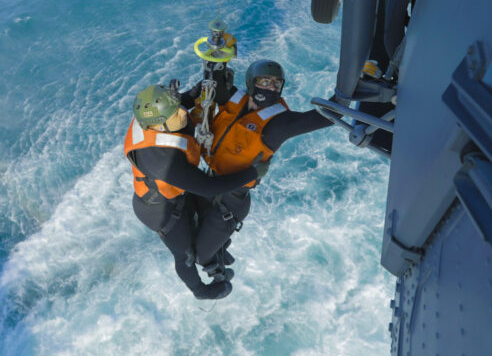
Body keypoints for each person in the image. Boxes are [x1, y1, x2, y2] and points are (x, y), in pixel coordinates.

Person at [187, 59, 335, 278]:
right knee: (187, 224)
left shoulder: (278, 125)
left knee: (199, 257)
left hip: (230, 202)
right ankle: (220, 245)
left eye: (277, 84)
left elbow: (326, 117)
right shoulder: (236, 100)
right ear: (251, 83)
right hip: (210, 181)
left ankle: (219, 274)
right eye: (265, 81)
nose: (271, 88)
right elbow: (215, 82)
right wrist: (217, 58)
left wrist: (350, 90)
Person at [124, 84, 260, 300]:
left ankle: (216, 250)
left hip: (174, 191)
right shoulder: (164, 162)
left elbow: (175, 107)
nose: (183, 112)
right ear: (159, 127)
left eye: (177, 106)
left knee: (206, 216)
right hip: (159, 210)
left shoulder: (153, 119)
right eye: (176, 112)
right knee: (186, 254)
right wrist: (252, 173)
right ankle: (201, 290)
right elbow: (210, 186)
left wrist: (194, 93)